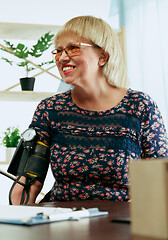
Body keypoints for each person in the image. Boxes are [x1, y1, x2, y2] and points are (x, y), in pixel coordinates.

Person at [10, 15, 168, 204]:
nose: (62, 57)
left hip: (119, 222)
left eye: (73, 48)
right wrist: (20, 219)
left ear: (103, 56)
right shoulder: (50, 109)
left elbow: (159, 181)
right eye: (58, 51)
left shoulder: (140, 106)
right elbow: (28, 181)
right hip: (62, 220)